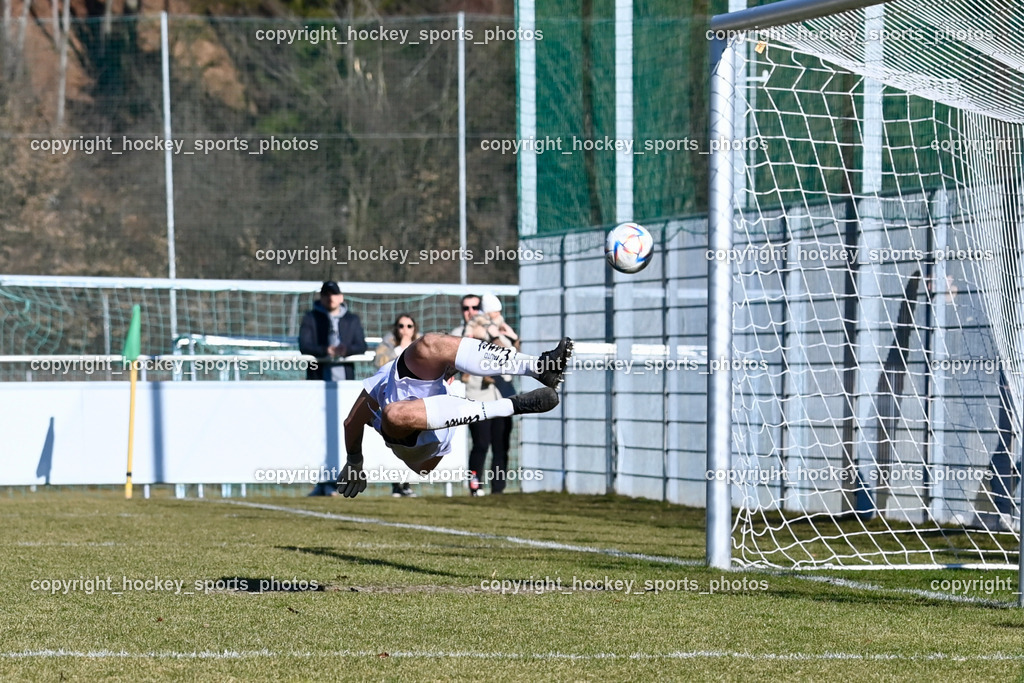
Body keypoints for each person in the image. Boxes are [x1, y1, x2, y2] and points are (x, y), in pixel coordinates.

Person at [337, 334, 573, 498]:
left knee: (427, 346)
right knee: (394, 412)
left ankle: (540, 367)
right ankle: (511, 405)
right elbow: (352, 422)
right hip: (408, 443)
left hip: (433, 433)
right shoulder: (388, 374)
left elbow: (426, 466)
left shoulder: (447, 395)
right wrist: (355, 462)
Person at [460, 293, 520, 495]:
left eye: (475, 307)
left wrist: (512, 338)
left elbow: (510, 354)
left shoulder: (498, 328)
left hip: (502, 394)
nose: (471, 312)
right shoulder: (460, 333)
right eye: (466, 308)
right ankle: (475, 486)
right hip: (478, 396)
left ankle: (498, 490)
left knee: (501, 445)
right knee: (481, 444)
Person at [374, 314, 422, 497]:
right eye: (401, 326)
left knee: (411, 440)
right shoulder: (387, 345)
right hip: (392, 398)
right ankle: (396, 483)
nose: (405, 330)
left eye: (409, 326)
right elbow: (380, 362)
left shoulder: (422, 342)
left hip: (415, 398)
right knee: (394, 439)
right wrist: (400, 348)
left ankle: (408, 482)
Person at [299, 281, 368, 381]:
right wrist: (325, 350)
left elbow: (361, 346)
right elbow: (304, 346)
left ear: (341, 297)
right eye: (326, 294)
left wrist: (346, 350)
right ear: (321, 298)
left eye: (334, 294)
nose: (330, 298)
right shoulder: (310, 318)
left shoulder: (352, 319)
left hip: (346, 378)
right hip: (317, 377)